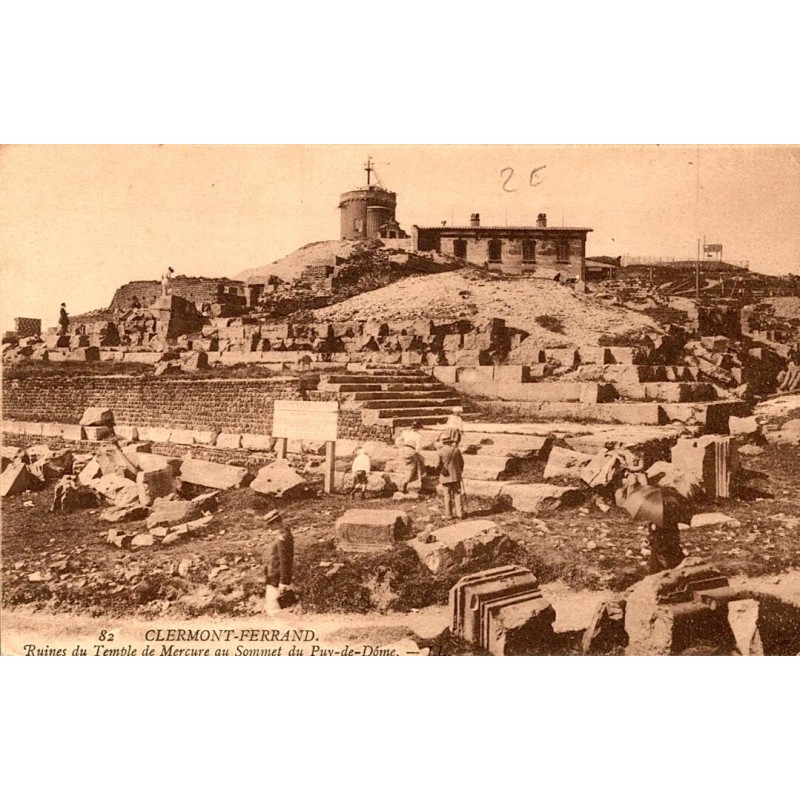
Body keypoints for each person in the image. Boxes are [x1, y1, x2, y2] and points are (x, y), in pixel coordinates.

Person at [263, 509, 294, 614]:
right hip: (274, 579)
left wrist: (284, 582)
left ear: (277, 522)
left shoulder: (282, 538)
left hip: (277, 580)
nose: (270, 527)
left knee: (274, 610)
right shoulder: (282, 536)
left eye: (271, 524)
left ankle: (290, 630)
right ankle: (290, 629)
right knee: (277, 610)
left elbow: (285, 561)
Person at [437, 434, 465, 520]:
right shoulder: (456, 450)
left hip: (445, 477)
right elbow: (462, 463)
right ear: (450, 442)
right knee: (457, 494)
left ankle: (448, 515)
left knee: (447, 496)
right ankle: (460, 514)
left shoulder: (440, 451)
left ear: (443, 442)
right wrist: (459, 471)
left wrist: (441, 471)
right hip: (456, 476)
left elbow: (437, 465)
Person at [396, 422, 424, 494]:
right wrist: (415, 452)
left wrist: (400, 447)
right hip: (411, 450)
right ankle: (405, 485)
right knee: (411, 469)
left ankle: (405, 483)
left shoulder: (405, 432)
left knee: (405, 466)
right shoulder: (418, 435)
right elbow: (418, 447)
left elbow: (397, 440)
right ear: (418, 428)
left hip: (403, 450)